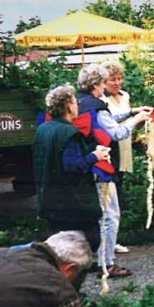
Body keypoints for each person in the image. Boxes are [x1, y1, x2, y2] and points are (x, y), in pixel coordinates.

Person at [77, 64, 150, 278]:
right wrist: (136, 120)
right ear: (96, 84)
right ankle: (106, 264)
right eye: (103, 83)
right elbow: (116, 133)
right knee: (110, 216)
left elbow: (106, 121)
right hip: (100, 168)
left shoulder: (81, 102)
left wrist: (130, 112)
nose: (104, 88)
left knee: (98, 216)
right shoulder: (96, 106)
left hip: (86, 166)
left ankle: (98, 259)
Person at [34, 84, 109, 251]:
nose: (78, 106)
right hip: (72, 204)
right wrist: (95, 156)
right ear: (68, 106)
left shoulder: (43, 129)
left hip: (49, 199)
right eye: (75, 102)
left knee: (57, 247)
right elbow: (72, 167)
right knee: (86, 244)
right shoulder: (69, 133)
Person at [100, 59, 151, 254]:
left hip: (124, 146)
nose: (117, 82)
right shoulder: (102, 101)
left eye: (120, 78)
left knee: (118, 193)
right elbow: (111, 122)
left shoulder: (125, 96)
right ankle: (108, 243)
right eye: (113, 79)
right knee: (110, 196)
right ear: (104, 82)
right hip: (110, 147)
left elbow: (129, 122)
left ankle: (114, 239)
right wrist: (133, 115)